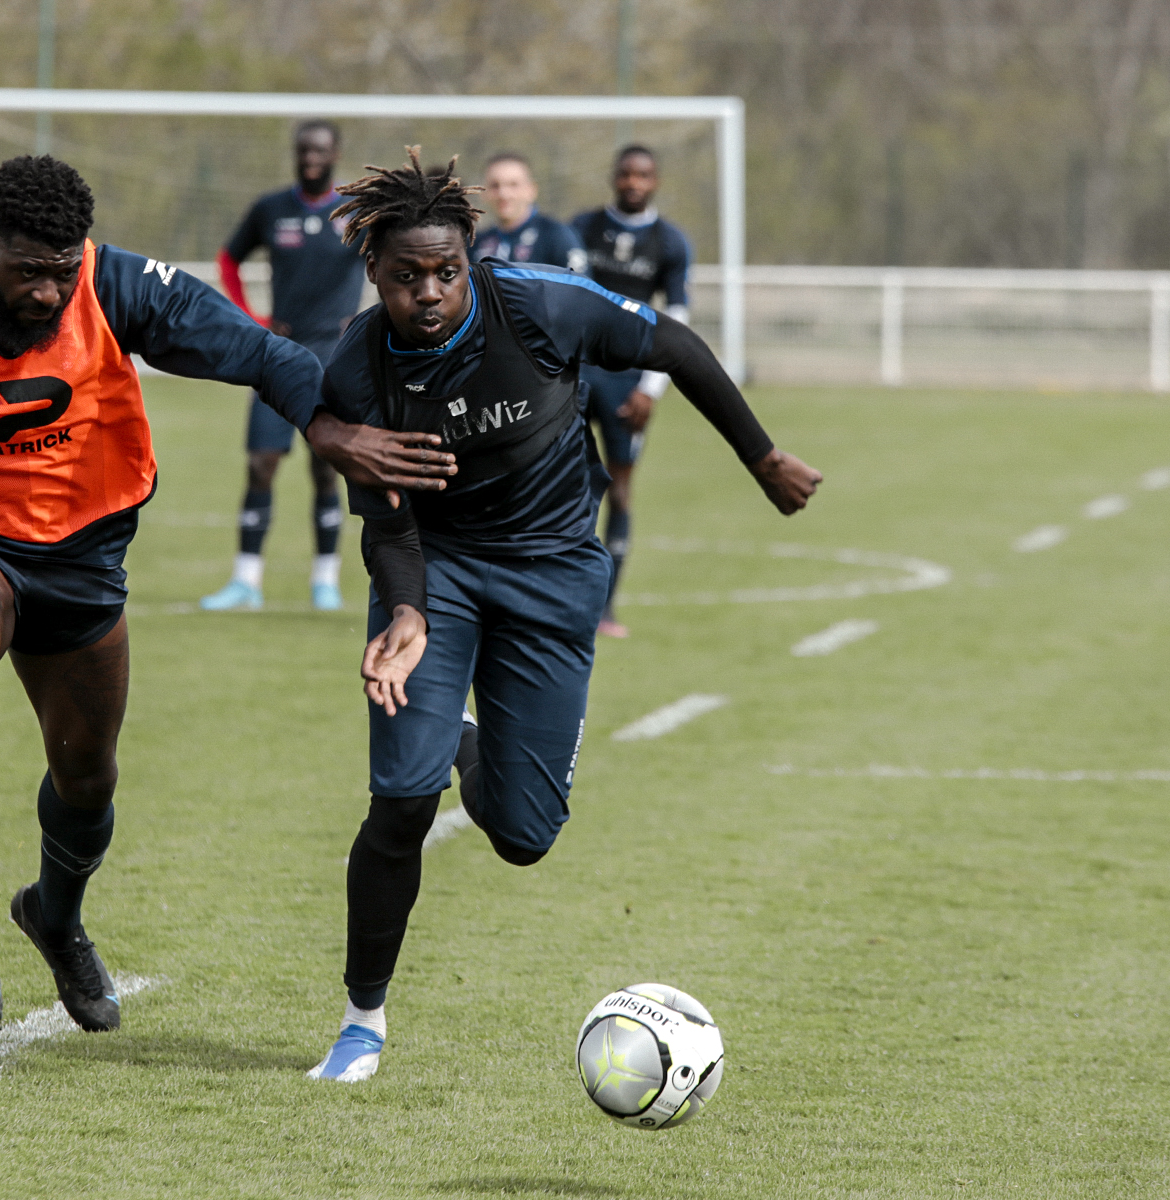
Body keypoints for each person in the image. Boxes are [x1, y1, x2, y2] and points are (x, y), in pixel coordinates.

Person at [0, 155, 456, 1043]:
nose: (46, 293)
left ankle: (55, 915)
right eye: (26, 271)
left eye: (61, 271)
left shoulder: (118, 287)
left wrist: (331, 428)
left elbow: (259, 352)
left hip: (83, 556)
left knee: (88, 775)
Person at [304, 149, 820, 1083]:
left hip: (551, 576)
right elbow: (386, 526)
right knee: (402, 800)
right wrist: (410, 611)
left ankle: (465, 744)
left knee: (525, 834)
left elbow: (674, 346)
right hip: (440, 577)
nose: (429, 292)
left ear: (474, 259)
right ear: (373, 274)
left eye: (447, 271)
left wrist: (762, 456)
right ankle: (361, 1022)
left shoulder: (542, 305)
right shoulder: (354, 368)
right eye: (406, 276)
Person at [202, 120, 366, 612]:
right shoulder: (271, 209)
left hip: (334, 356)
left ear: (335, 152)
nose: (310, 157)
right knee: (261, 464)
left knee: (325, 466)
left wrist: (364, 323)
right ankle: (246, 582)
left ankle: (325, 581)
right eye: (303, 150)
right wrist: (253, 321)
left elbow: (391, 260)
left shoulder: (355, 212)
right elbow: (228, 261)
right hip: (279, 353)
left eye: (319, 149)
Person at [570, 144, 693, 638]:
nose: (633, 183)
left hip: (629, 379)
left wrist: (652, 388)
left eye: (643, 175)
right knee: (570, 488)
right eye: (625, 174)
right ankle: (562, 601)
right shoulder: (581, 227)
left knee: (620, 491)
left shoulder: (671, 242)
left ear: (656, 180)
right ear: (613, 177)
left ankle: (605, 608)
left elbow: (679, 316)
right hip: (580, 371)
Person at [468, 152, 586, 272]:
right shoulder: (476, 244)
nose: (503, 194)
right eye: (495, 186)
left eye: (513, 185)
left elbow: (581, 287)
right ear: (483, 192)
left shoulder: (556, 236)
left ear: (531, 190)